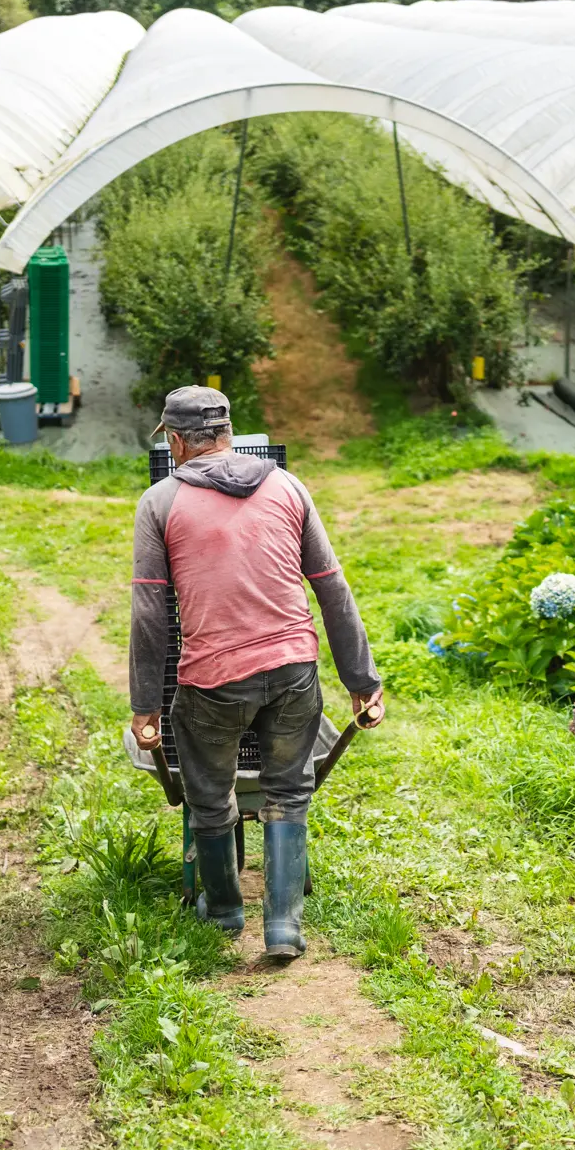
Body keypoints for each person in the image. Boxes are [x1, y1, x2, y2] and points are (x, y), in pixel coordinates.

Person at [129, 386, 382, 961]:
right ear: (228, 434)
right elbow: (331, 588)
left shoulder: (160, 501)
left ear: (174, 442)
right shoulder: (288, 485)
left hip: (214, 681)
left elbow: (150, 610)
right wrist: (362, 683)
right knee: (289, 792)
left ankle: (223, 912)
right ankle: (284, 927)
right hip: (294, 670)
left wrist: (145, 704)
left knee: (209, 795)